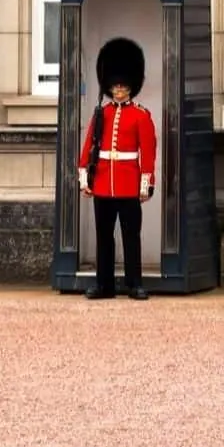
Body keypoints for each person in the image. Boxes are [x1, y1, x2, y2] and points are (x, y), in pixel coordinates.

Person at [78, 69, 157, 300]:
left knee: (131, 236)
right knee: (104, 236)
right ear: (110, 89)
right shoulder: (102, 114)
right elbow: (89, 145)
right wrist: (85, 177)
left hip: (128, 184)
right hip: (103, 182)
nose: (119, 90)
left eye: (123, 87)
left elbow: (148, 152)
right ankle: (104, 285)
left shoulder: (141, 115)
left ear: (130, 88)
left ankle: (134, 284)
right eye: (115, 87)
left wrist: (146, 183)